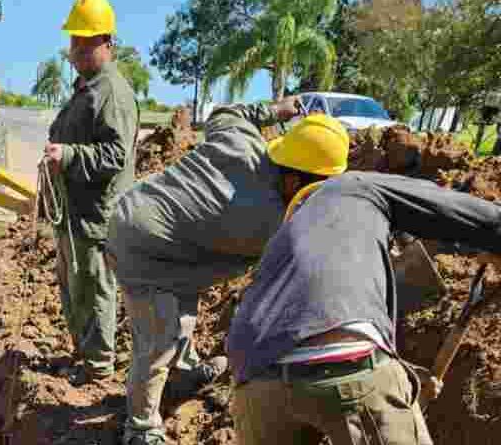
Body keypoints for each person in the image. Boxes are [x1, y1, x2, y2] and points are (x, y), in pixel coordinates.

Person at [225, 129, 501, 444]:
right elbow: (456, 211)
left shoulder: (283, 241)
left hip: (253, 384)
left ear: (291, 183)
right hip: (347, 364)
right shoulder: (354, 186)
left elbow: (299, 339)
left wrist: (407, 374)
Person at [107, 99, 326, 445]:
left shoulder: (241, 140)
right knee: (158, 339)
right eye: (315, 190)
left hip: (156, 225)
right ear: (296, 180)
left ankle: (184, 372)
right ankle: (141, 428)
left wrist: (276, 110)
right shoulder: (269, 220)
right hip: (142, 247)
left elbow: (227, 114)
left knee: (183, 312)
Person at [43, 0, 138, 385]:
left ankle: (98, 366)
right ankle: (83, 355)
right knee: (74, 287)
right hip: (73, 211)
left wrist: (67, 155)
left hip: (96, 214)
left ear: (106, 44)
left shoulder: (111, 92)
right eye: (74, 43)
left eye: (85, 44)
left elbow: (116, 154)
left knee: (95, 288)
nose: (76, 52)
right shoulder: (86, 89)